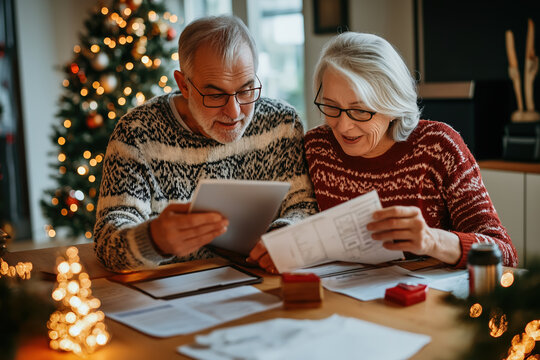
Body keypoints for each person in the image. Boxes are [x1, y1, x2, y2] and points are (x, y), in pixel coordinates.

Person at [93, 15, 317, 272]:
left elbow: (304, 205)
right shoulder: (137, 133)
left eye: (246, 90)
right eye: (215, 94)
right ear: (184, 85)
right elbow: (107, 240)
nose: (234, 112)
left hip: (264, 283)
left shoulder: (282, 124)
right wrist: (153, 240)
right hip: (168, 294)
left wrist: (286, 235)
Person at [303, 32, 518, 268]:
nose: (342, 126)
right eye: (331, 106)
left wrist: (432, 241)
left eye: (360, 110)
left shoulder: (438, 147)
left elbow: (505, 253)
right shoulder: (317, 148)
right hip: (339, 297)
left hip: (427, 299)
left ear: (393, 105)